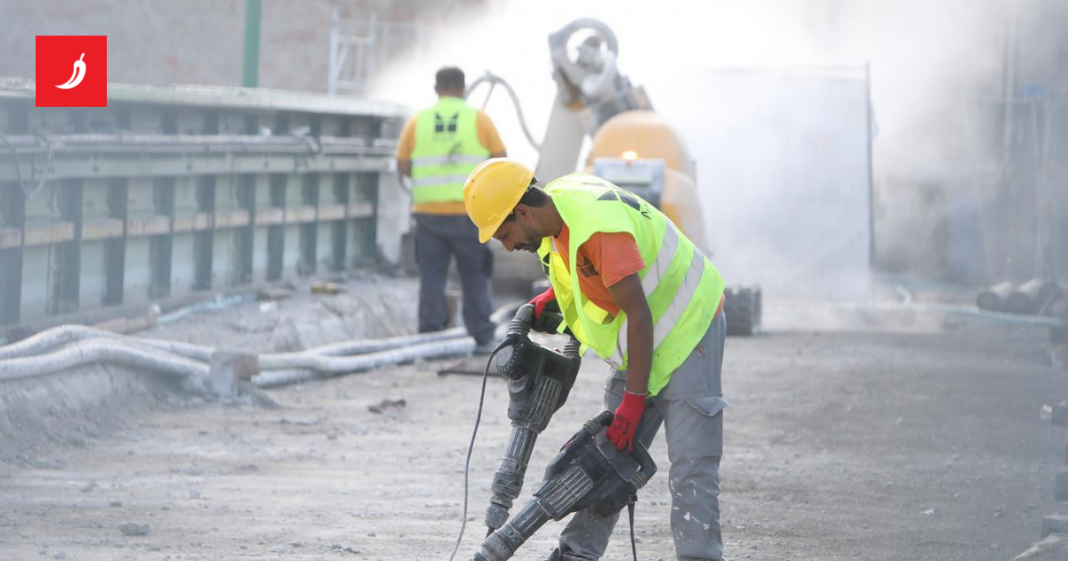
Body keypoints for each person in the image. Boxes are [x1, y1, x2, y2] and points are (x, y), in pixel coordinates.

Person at [463, 158, 729, 561]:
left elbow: (638, 313)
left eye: (505, 232)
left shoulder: (599, 229)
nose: (507, 244)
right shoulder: (556, 219)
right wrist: (549, 302)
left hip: (688, 329)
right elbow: (588, 276)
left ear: (522, 211)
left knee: (691, 465)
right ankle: (576, 555)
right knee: (604, 455)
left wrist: (634, 399)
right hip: (640, 341)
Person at [396, 67, 506, 351]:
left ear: (436, 89)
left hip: (428, 213)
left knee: (432, 275)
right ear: (463, 88)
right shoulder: (479, 120)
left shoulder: (417, 122)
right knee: (475, 273)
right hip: (470, 214)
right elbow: (500, 161)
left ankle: (430, 336)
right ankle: (482, 336)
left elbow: (403, 165)